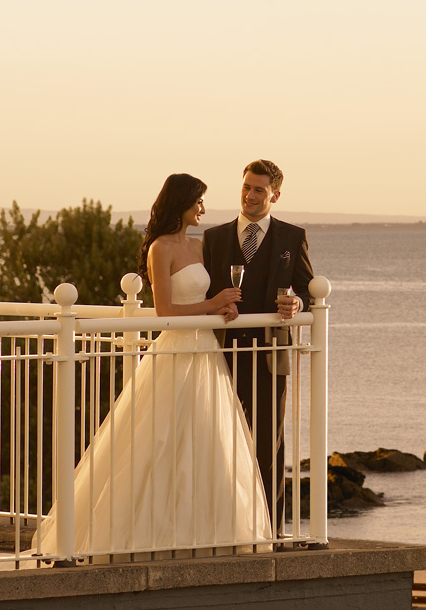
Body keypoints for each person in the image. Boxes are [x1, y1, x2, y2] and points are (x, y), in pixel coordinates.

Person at [39, 174, 271, 558]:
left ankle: (210, 534)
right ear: (182, 203)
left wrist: (223, 306)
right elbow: (165, 310)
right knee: (160, 441)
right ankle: (149, 538)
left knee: (209, 441)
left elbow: (204, 297)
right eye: (198, 201)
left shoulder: (200, 245)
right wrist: (213, 304)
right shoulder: (160, 249)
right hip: (176, 351)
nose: (203, 208)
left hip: (206, 353)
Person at [202, 160, 314, 531]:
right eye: (247, 187)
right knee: (216, 442)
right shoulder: (214, 238)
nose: (250, 196)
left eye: (259, 190)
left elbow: (309, 295)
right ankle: (221, 525)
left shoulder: (292, 237)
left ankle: (270, 529)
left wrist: (296, 304)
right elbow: (204, 294)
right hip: (221, 355)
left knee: (269, 445)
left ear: (275, 195)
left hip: (271, 356)